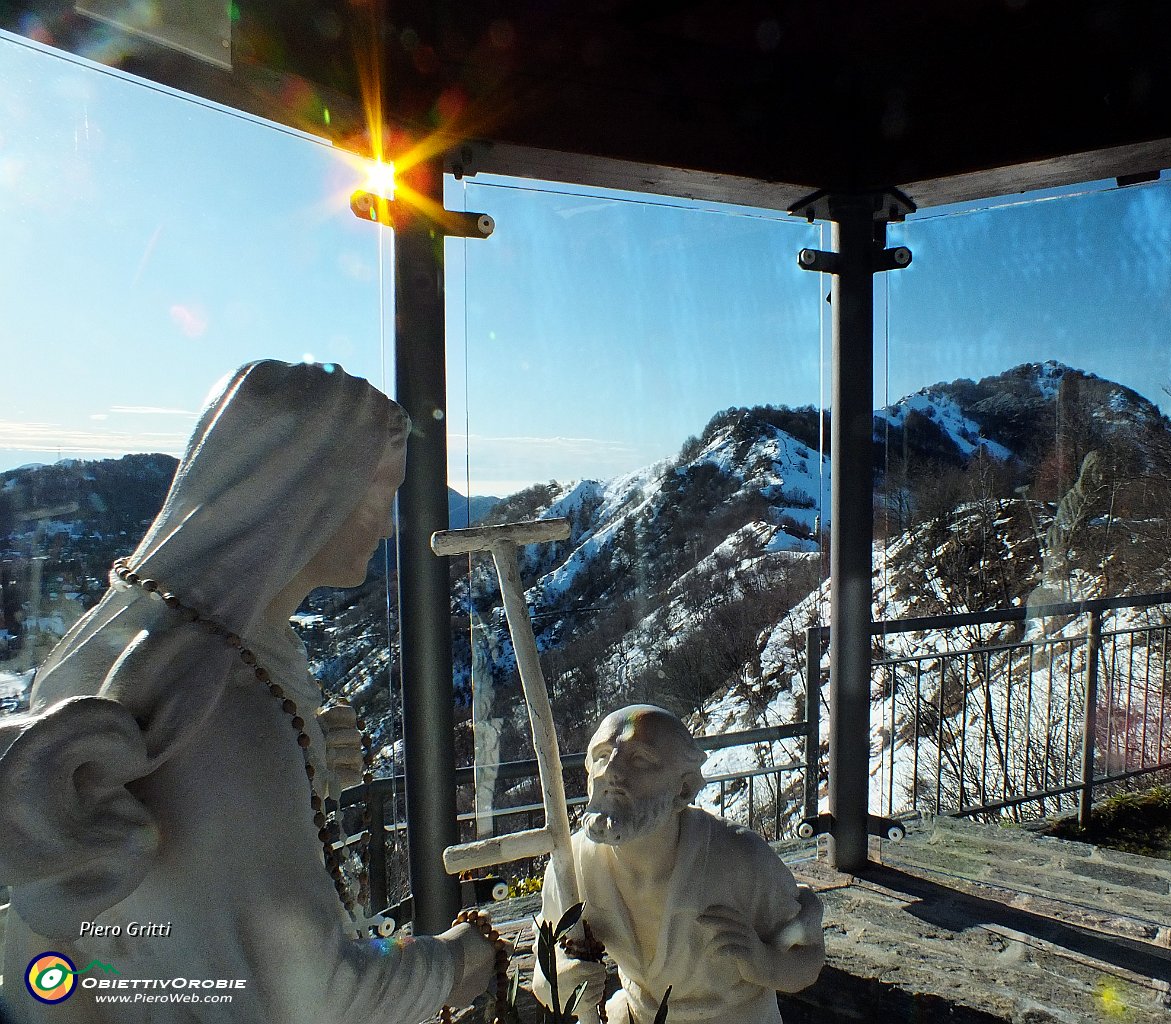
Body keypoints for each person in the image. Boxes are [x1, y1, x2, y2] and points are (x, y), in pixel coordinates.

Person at [0, 361, 495, 1022]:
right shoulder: (225, 704)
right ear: (310, 489)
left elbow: (182, 889)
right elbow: (313, 996)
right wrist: (456, 961)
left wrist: (302, 767)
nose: (387, 525)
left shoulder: (141, 640)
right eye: (381, 492)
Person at [532, 705, 824, 1024]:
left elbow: (808, 957)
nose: (610, 772)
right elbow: (543, 970)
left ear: (683, 788)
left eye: (639, 759)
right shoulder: (571, 867)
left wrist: (764, 963)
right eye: (601, 756)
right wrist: (560, 980)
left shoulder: (739, 857)